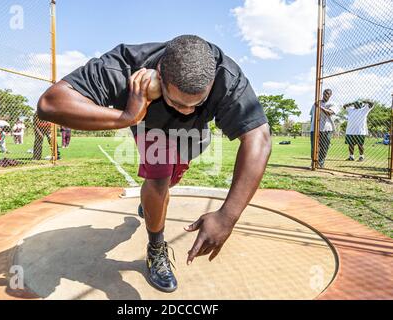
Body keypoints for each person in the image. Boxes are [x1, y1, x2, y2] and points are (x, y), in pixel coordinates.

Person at [37, 35, 271, 293]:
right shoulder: (126, 66)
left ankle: (149, 202)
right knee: (159, 179)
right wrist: (127, 116)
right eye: (176, 102)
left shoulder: (226, 75)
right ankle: (156, 247)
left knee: (169, 179)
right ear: (157, 75)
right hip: (151, 127)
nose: (186, 110)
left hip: (193, 137)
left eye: (197, 103)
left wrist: (227, 216)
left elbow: (258, 137)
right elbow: (50, 103)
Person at [310, 89, 335, 168]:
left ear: (330, 95)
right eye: (324, 93)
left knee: (324, 147)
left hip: (326, 129)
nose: (325, 95)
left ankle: (321, 163)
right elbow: (311, 114)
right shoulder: (316, 103)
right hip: (315, 129)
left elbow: (329, 113)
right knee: (314, 147)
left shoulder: (332, 104)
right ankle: (314, 162)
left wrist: (320, 107)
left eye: (328, 94)